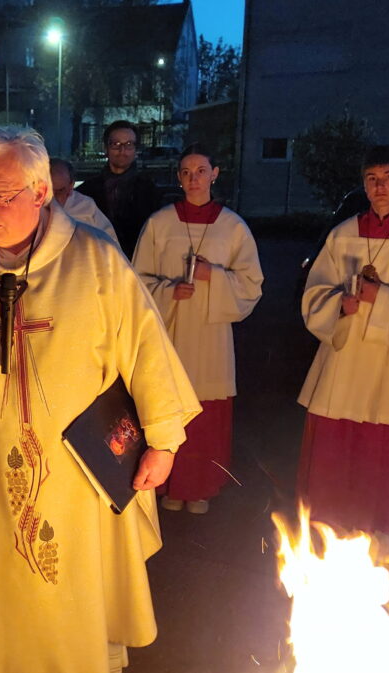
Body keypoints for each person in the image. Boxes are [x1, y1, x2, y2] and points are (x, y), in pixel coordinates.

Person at [0, 128, 200, 673]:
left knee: (75, 587)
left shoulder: (96, 261)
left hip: (77, 469)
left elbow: (147, 349)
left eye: (1, 195)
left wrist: (165, 441)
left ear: (39, 192)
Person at [297, 145, 389, 539]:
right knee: (333, 457)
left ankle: (377, 538)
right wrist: (340, 306)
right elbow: (314, 294)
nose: (380, 186)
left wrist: (378, 298)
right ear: (364, 184)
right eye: (372, 179)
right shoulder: (343, 234)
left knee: (380, 457)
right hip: (342, 365)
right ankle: (326, 536)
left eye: (388, 177)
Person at [131, 144, 263, 515]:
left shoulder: (233, 226)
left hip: (211, 335)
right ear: (179, 177)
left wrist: (213, 277)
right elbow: (136, 281)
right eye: (186, 172)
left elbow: (252, 283)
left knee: (207, 412)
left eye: (201, 171)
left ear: (214, 174)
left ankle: (200, 486)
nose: (194, 179)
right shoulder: (160, 223)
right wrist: (169, 290)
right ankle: (171, 485)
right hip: (169, 332)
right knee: (167, 403)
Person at [76, 120, 163, 256]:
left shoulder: (151, 192)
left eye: (129, 144)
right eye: (116, 144)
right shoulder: (86, 192)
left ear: (136, 150)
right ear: (106, 149)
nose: (122, 150)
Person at [49, 157, 118, 242]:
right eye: (49, 191)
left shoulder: (87, 207)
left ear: (71, 186)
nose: (52, 198)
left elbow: (111, 243)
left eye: (60, 191)